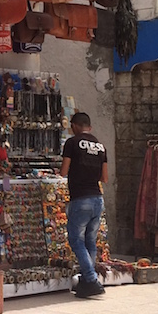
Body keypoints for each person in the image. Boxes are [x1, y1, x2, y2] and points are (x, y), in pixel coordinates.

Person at [60, 112, 108, 299]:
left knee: (76, 240)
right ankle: (87, 282)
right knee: (90, 241)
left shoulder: (72, 143)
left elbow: (64, 171)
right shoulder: (101, 147)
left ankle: (91, 278)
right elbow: (104, 178)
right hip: (97, 199)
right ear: (90, 126)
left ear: (75, 126)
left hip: (80, 199)